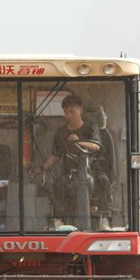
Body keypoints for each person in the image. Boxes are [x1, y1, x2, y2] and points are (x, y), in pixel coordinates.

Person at [35, 94, 110, 222]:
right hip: (69, 174)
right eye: (65, 112)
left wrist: (78, 142)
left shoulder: (91, 127)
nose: (68, 115)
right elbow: (55, 155)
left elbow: (96, 146)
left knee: (104, 181)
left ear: (81, 110)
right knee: (58, 185)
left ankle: (105, 219)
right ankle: (62, 220)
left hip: (92, 172)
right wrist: (43, 168)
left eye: (72, 111)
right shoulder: (61, 132)